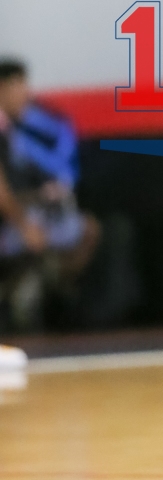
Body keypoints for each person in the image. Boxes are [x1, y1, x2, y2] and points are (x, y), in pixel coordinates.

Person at [0, 59, 100, 328]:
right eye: (16, 87)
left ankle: (45, 289)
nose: (24, 94)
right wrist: (24, 225)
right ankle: (23, 296)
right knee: (37, 239)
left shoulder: (19, 128)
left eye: (25, 86)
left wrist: (45, 195)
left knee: (87, 230)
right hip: (11, 223)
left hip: (29, 213)